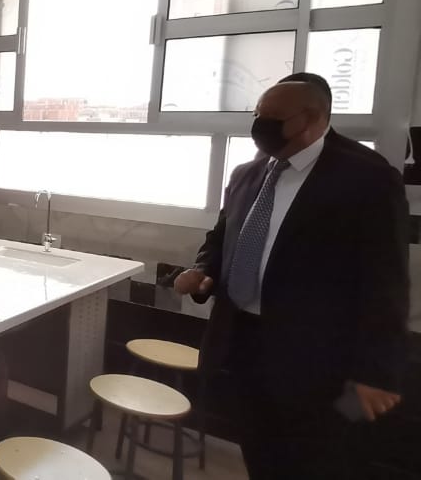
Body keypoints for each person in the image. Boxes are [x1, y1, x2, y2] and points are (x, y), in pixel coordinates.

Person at [173, 73, 409, 479]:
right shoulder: (247, 174)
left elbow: (386, 281)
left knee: (314, 462)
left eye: (273, 118)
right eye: (257, 115)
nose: (260, 126)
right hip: (241, 343)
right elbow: (222, 237)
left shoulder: (367, 178)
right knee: (259, 451)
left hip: (319, 362)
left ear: (313, 118)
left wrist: (376, 373)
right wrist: (202, 270)